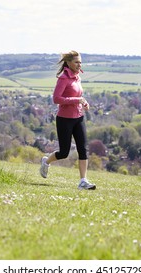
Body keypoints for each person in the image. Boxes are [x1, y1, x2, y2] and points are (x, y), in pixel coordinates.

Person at [40, 50, 96, 190]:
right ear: (69, 63)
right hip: (65, 119)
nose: (79, 65)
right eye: (76, 62)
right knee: (64, 152)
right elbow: (56, 99)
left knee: (83, 149)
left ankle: (83, 181)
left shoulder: (78, 77)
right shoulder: (63, 78)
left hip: (79, 118)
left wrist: (84, 103)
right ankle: (46, 161)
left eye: (80, 62)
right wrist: (77, 100)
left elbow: (78, 95)